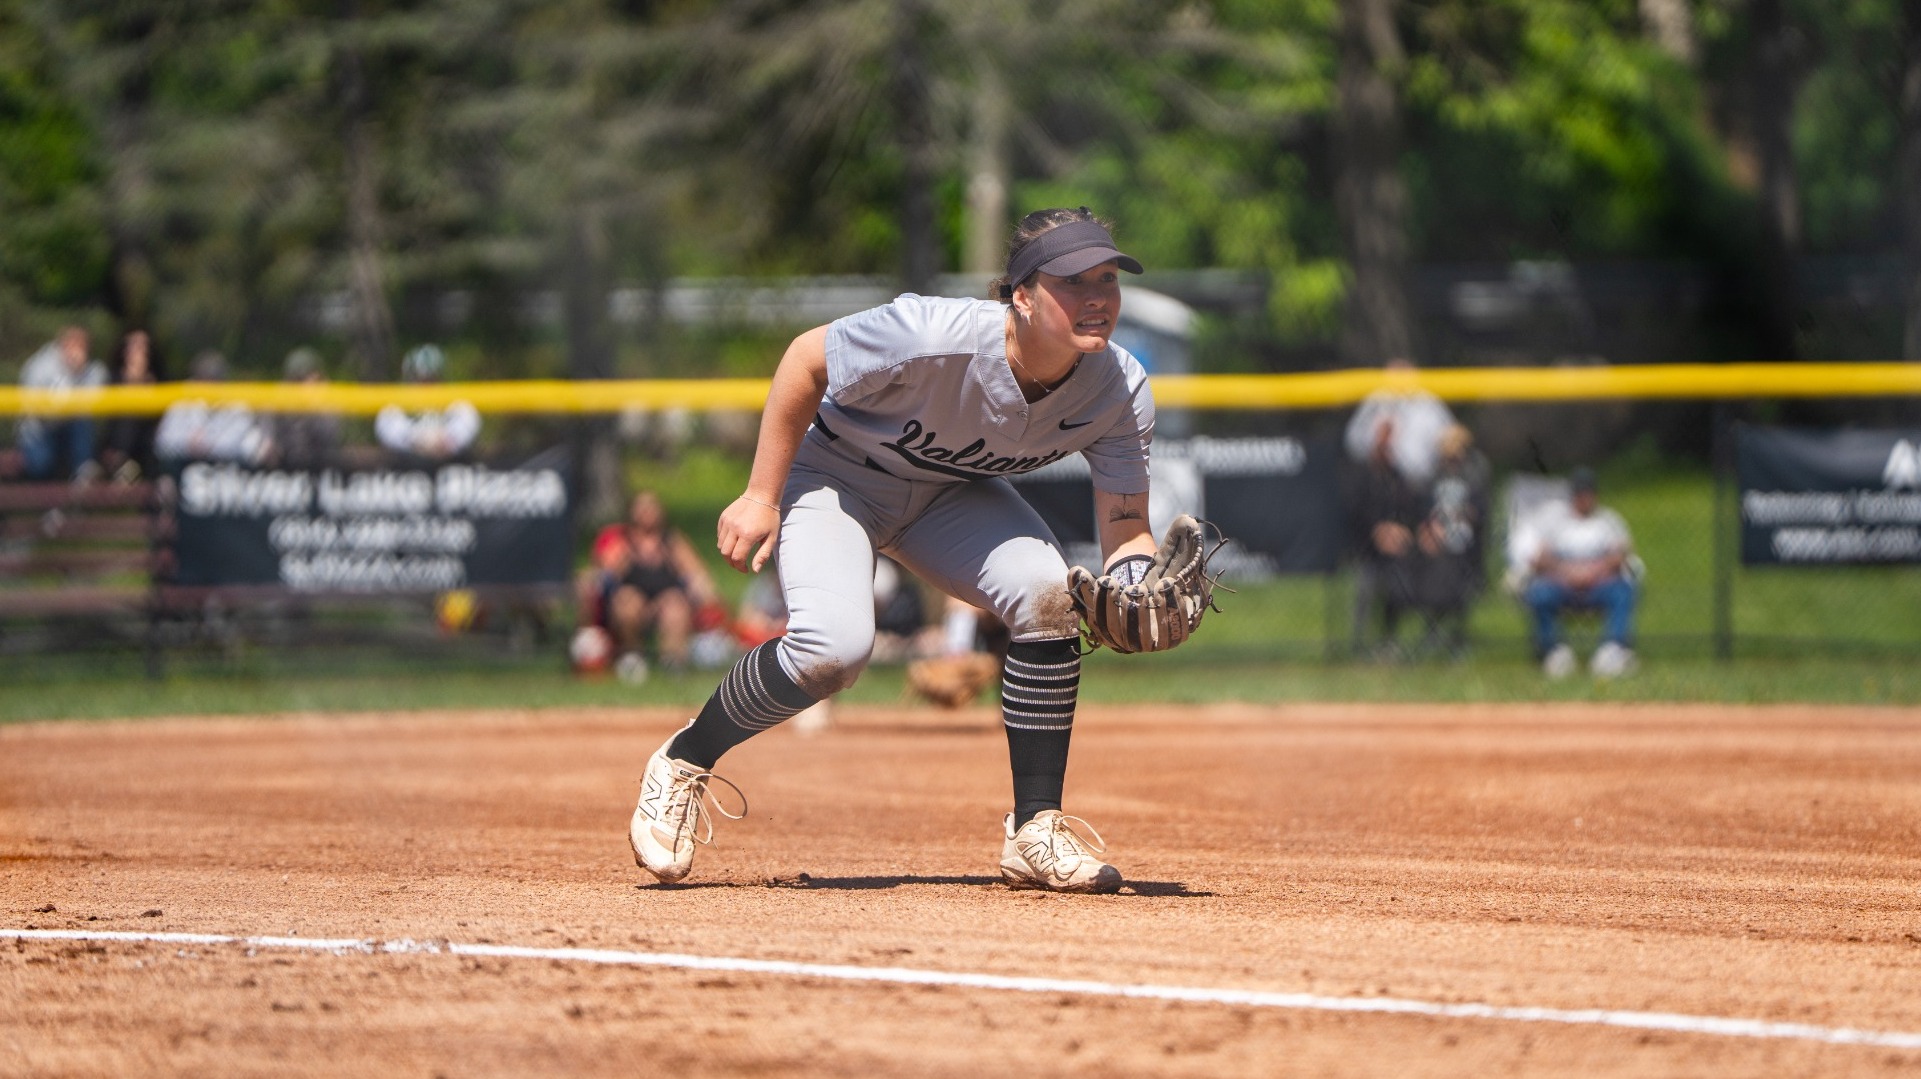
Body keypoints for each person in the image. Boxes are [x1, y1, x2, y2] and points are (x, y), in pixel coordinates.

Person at [629, 206, 1157, 893]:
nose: (1096, 298)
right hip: (839, 478)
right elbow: (802, 361)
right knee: (832, 650)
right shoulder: (930, 333)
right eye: (1072, 281)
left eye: (1107, 279)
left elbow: (1125, 525)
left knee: (1048, 591)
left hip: (947, 492)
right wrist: (761, 494)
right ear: (1020, 295)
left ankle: (1035, 829)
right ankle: (683, 759)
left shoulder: (1118, 387)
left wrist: (1138, 579)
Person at [577, 489, 721, 677]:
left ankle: (673, 661)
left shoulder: (671, 541)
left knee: (674, 605)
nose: (647, 513)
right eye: (642, 508)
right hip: (632, 599)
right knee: (628, 602)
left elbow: (697, 573)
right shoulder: (624, 541)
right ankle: (632, 656)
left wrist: (706, 593)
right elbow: (604, 574)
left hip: (665, 598)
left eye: (651, 507)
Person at [1519, 466, 1640, 679]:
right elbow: (1539, 559)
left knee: (1623, 591)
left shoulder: (1608, 521)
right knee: (1540, 593)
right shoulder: (1555, 521)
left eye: (1588, 494)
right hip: (1562, 584)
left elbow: (1621, 554)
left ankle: (1612, 650)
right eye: (1580, 494)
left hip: (1599, 585)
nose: (1584, 499)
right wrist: (1568, 572)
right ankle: (1553, 651)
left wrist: (1593, 572)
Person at [1344, 409, 1427, 659]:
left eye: (1391, 439)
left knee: (1397, 590)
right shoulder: (1362, 475)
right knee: (1365, 592)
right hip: (1367, 550)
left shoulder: (1398, 476)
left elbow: (1409, 509)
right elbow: (1355, 511)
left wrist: (1399, 531)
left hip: (1394, 553)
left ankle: (1388, 642)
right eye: (1383, 437)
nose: (1387, 444)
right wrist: (1378, 531)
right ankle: (1357, 646)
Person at [1408, 423, 1491, 658]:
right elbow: (1422, 508)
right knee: (1431, 567)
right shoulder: (1434, 475)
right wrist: (1428, 529)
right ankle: (1432, 629)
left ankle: (1457, 634)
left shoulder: (1475, 473)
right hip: (1435, 538)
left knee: (1457, 569)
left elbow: (1481, 511)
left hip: (1465, 541)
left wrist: (1464, 517)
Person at [1342, 356, 1457, 487]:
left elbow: (1452, 442)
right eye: (1395, 372)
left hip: (1419, 485)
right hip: (1375, 482)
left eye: (1403, 372)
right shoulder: (1376, 401)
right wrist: (1375, 445)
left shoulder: (1429, 404)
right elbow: (1352, 441)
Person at [15, 326, 107, 482]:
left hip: (71, 429)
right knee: (41, 466)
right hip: (40, 429)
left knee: (81, 423)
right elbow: (32, 408)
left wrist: (76, 373)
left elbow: (93, 403)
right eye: (71, 344)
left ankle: (83, 476)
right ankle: (47, 502)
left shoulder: (93, 370)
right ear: (61, 345)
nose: (76, 351)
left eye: (81, 346)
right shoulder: (40, 366)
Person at [154, 351, 276, 466]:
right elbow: (162, 443)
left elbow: (240, 445)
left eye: (214, 379)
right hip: (183, 467)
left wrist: (208, 445)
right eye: (203, 378)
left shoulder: (236, 406)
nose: (209, 384)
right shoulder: (181, 400)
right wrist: (186, 445)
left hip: (221, 472)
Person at [376, 344, 480, 462]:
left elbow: (467, 425)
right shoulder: (395, 407)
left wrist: (444, 441)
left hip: (449, 467)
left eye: (432, 379)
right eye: (420, 379)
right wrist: (417, 441)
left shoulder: (457, 405)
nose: (426, 385)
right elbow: (389, 431)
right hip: (406, 469)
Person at [98, 329, 166, 484]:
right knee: (128, 416)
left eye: (142, 347)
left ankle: (128, 467)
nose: (137, 352)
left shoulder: (159, 380)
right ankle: (121, 463)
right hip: (116, 441)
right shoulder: (112, 377)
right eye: (133, 346)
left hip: (147, 444)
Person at [264, 347, 343, 470]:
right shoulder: (277, 402)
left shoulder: (326, 401)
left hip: (320, 467)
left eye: (315, 379)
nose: (309, 385)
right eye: (299, 380)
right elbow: (269, 443)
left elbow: (331, 436)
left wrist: (316, 406)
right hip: (281, 472)